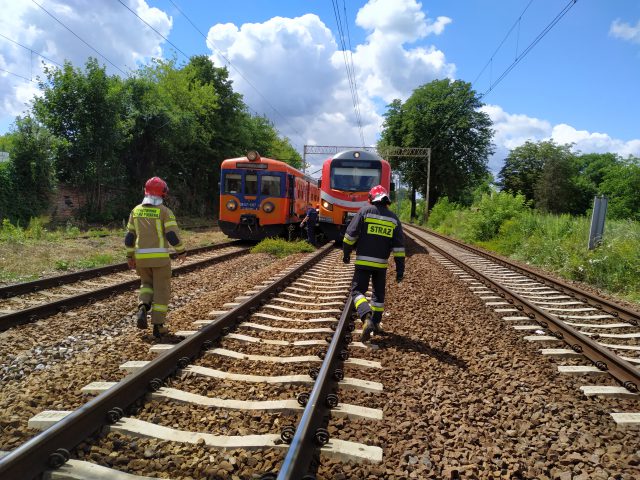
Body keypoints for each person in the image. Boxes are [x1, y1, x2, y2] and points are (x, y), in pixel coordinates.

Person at [124, 177, 186, 339]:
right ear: (163, 193)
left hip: (141, 259)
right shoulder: (165, 212)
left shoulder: (135, 211)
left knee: (146, 285)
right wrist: (181, 251)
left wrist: (130, 256)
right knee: (161, 290)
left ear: (146, 191)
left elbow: (129, 237)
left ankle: (143, 306)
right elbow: (171, 235)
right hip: (160, 260)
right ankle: (158, 327)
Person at [342, 185, 405, 343]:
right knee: (378, 295)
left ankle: (366, 317)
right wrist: (400, 270)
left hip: (363, 262)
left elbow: (350, 236)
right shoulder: (393, 219)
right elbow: (398, 248)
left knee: (357, 292)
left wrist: (346, 253)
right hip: (381, 265)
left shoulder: (364, 212)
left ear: (371, 199)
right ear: (386, 201)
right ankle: (376, 323)